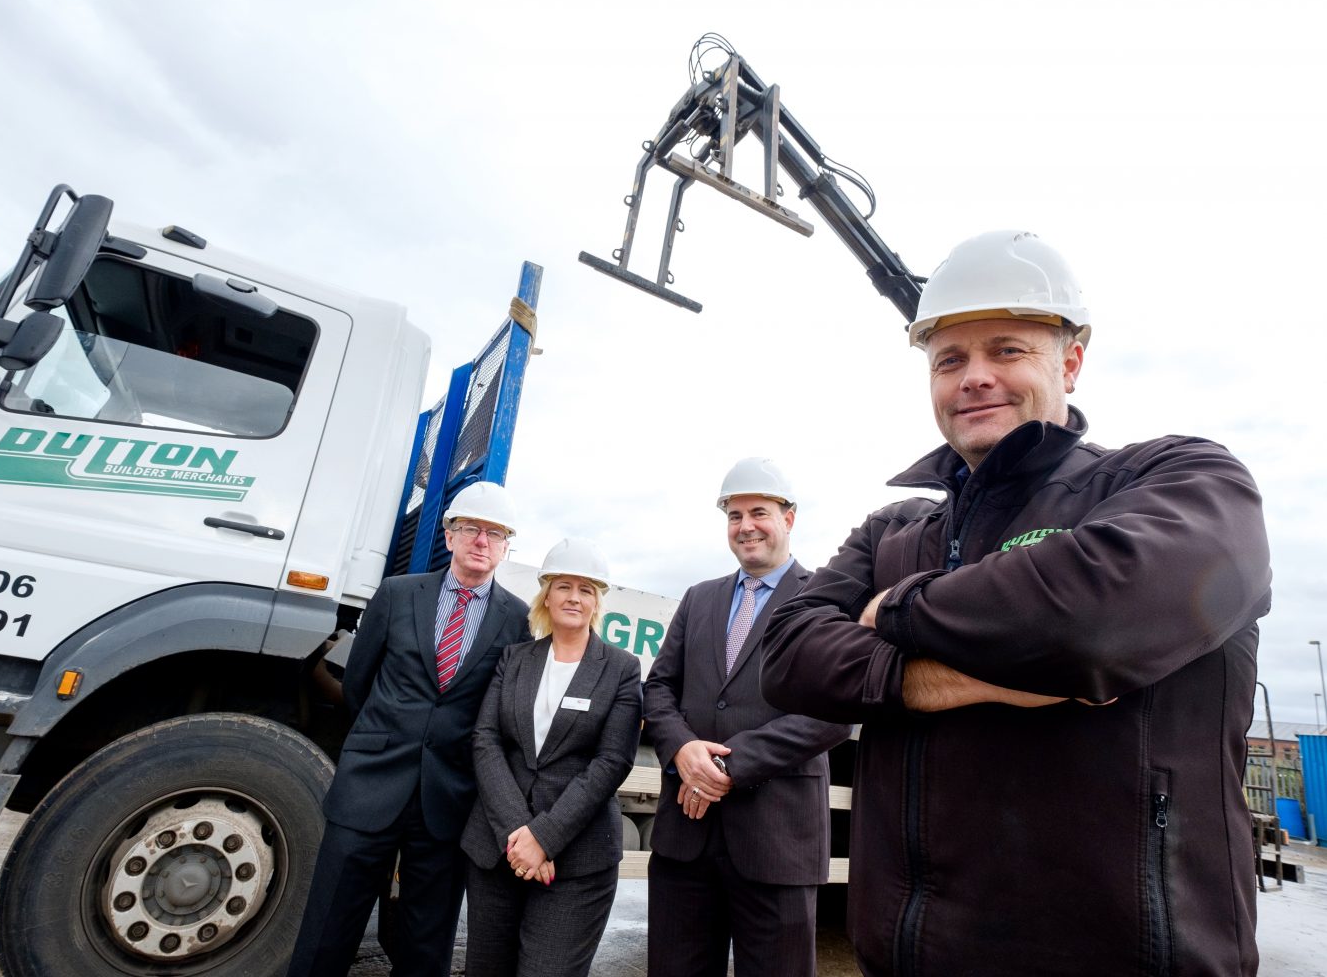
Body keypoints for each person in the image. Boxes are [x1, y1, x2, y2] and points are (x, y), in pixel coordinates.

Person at [761, 230, 1273, 977]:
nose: (974, 378)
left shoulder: (1180, 480)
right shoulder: (893, 529)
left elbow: (1092, 615)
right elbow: (786, 657)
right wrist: (943, 677)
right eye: (950, 360)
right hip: (907, 958)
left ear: (1070, 361)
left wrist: (891, 610)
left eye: (1006, 350)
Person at [289, 481, 533, 977]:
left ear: (507, 546)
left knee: (427, 941)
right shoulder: (398, 593)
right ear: (449, 536)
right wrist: (380, 742)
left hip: (447, 799)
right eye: (470, 528)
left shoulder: (517, 619)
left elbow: (502, 709)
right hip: (369, 785)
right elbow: (357, 683)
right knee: (328, 927)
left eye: (494, 533)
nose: (481, 541)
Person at [643, 458, 852, 977]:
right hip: (685, 842)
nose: (746, 526)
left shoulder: (827, 599)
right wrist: (683, 749)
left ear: (789, 518)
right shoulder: (699, 599)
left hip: (776, 839)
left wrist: (726, 769)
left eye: (758, 512)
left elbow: (837, 710)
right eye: (734, 516)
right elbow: (659, 688)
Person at [460, 538, 642, 977]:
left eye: (585, 589)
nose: (573, 597)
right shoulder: (515, 658)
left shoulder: (621, 668)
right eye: (563, 586)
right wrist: (518, 834)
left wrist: (544, 837)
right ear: (547, 594)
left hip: (577, 861)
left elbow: (612, 762)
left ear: (597, 601)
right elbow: (486, 739)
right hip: (498, 848)